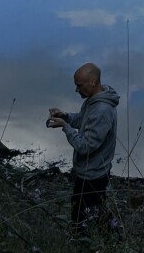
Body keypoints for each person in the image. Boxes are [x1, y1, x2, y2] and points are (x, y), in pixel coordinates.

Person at [48, 62, 120, 228]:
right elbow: (83, 120)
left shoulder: (102, 110)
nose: (76, 90)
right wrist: (65, 116)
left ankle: (93, 244)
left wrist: (65, 128)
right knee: (92, 210)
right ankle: (105, 238)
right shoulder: (94, 100)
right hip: (91, 171)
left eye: (79, 86)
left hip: (93, 174)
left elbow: (85, 147)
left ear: (93, 81)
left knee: (81, 216)